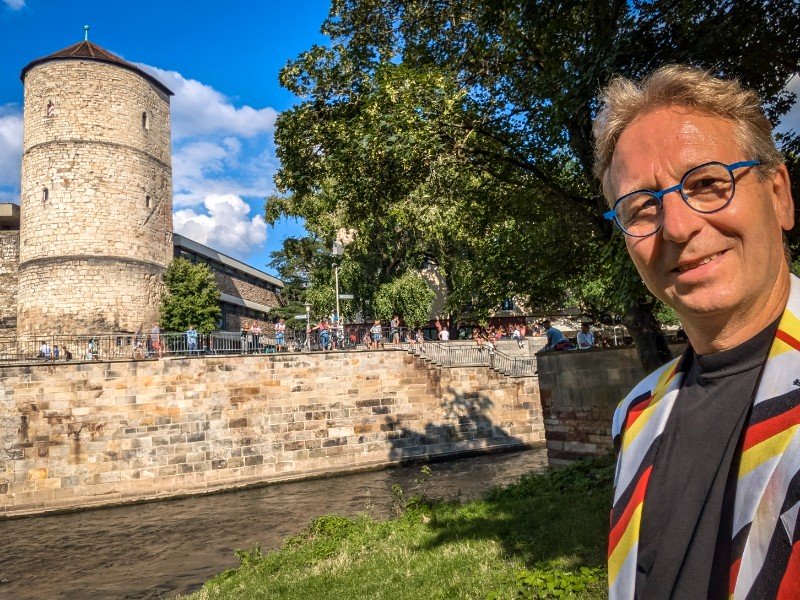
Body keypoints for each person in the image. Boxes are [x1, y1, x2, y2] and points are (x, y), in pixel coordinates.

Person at [594, 66, 796, 599]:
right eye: (643, 208)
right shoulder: (636, 415)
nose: (679, 227)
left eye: (708, 183)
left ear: (779, 195)